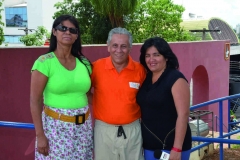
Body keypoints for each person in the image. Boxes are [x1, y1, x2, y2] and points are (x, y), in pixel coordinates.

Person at [30, 15, 93, 160]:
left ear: (76, 36)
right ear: (54, 32)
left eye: (72, 30)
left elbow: (88, 94)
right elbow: (35, 100)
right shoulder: (44, 63)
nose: (67, 32)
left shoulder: (84, 63)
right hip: (55, 130)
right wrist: (40, 135)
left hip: (83, 130)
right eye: (62, 28)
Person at [91, 27, 146, 160]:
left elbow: (146, 98)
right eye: (115, 45)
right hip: (103, 131)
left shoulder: (140, 70)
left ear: (130, 48)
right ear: (108, 46)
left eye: (124, 46)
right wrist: (101, 102)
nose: (119, 50)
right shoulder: (96, 68)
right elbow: (85, 91)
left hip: (133, 131)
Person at [136, 37, 192, 160]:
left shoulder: (176, 78)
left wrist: (177, 148)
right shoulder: (146, 78)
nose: (151, 59)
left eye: (156, 55)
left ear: (166, 57)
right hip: (149, 147)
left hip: (171, 148)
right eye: (147, 55)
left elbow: (183, 114)